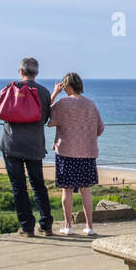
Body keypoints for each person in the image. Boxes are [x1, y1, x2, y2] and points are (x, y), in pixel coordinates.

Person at [0, 58, 54, 237]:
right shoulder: (43, 92)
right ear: (37, 73)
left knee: (18, 187)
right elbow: (44, 118)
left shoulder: (10, 88)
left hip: (12, 144)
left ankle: (27, 227)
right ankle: (46, 224)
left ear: (21, 71)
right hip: (34, 145)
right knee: (38, 185)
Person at [47, 72, 104, 236]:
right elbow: (100, 129)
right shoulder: (90, 104)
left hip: (66, 153)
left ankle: (68, 226)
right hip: (87, 153)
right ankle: (89, 227)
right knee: (86, 190)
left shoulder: (62, 103)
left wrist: (55, 93)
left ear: (67, 86)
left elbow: (45, 113)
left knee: (67, 190)